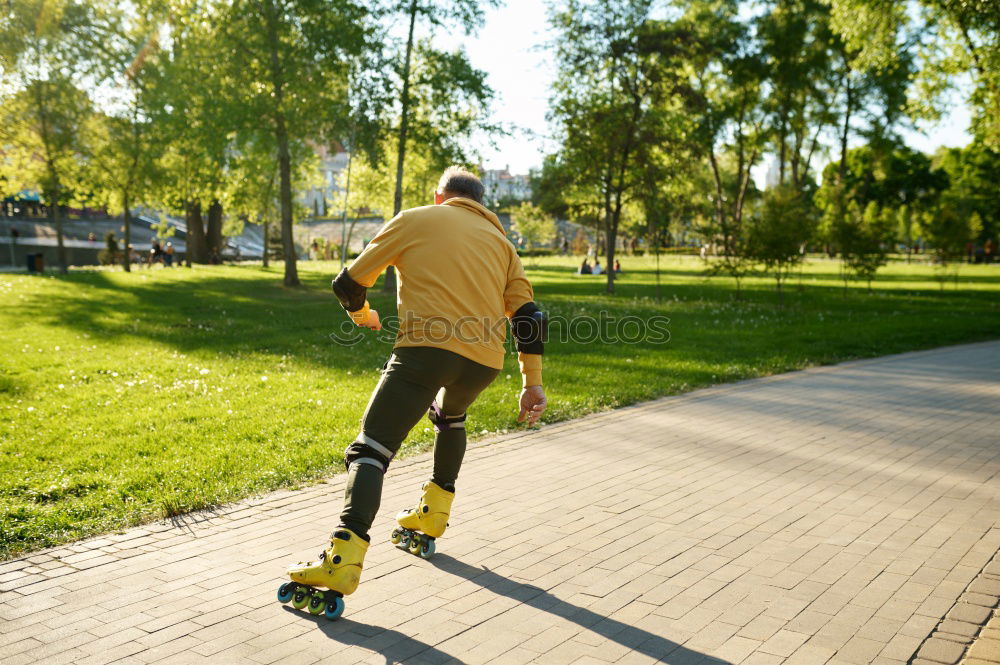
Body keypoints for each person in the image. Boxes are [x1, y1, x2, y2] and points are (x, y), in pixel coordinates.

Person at [281, 166, 548, 620]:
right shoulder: (504, 246)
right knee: (450, 417)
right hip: (483, 361)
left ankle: (341, 562)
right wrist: (532, 382)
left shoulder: (418, 217)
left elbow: (349, 284)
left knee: (371, 447)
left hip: (426, 349)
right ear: (480, 204)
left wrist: (362, 316)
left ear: (441, 197)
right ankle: (431, 517)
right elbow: (529, 316)